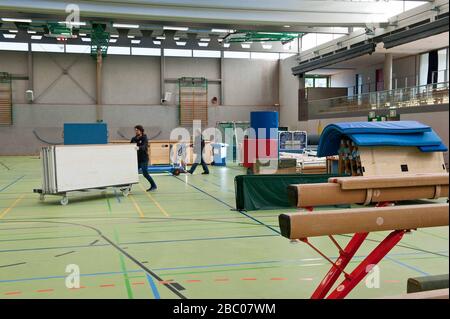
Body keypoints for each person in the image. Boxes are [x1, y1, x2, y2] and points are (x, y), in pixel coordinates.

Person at [131, 125, 157, 192]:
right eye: (135, 130)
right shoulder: (133, 139)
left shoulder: (144, 138)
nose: (136, 131)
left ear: (141, 131)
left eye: (137, 130)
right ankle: (128, 188)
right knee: (132, 173)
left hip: (144, 159)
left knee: (145, 173)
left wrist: (139, 147)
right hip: (136, 159)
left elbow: (144, 146)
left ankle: (153, 185)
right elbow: (130, 146)